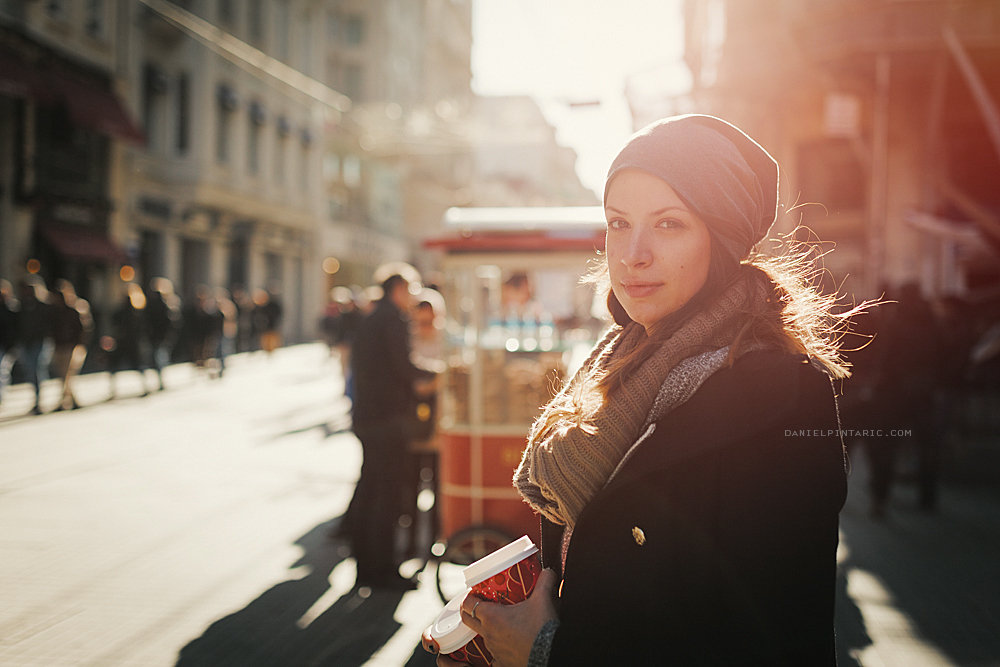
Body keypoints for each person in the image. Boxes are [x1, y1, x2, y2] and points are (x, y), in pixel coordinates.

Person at [441, 115, 857, 667]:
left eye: (669, 224)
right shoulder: (612, 368)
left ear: (723, 240)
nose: (632, 253)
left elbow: (768, 645)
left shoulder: (779, 395)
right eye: (618, 223)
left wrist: (547, 653)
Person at [348, 273, 435, 589]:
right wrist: (437, 371)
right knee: (385, 496)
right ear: (398, 289)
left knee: (370, 491)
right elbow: (404, 367)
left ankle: (365, 566)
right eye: (411, 289)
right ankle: (382, 569)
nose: (414, 296)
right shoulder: (394, 320)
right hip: (387, 420)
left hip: (368, 418)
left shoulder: (372, 317)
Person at [50, 280, 93, 411]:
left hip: (71, 346)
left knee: (67, 374)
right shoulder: (55, 311)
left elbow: (84, 328)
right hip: (59, 345)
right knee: (64, 375)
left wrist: (79, 344)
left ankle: (64, 401)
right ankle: (72, 400)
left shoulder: (76, 308)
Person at [17, 277, 55, 415]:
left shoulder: (43, 306)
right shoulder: (21, 306)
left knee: (36, 368)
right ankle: (35, 397)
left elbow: (50, 323)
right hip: (25, 342)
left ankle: (39, 399)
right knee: (29, 370)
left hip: (39, 342)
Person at [0, 279, 20, 406]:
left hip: (6, 345)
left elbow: (17, 329)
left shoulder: (13, 308)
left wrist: (14, 345)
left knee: (2, 370)